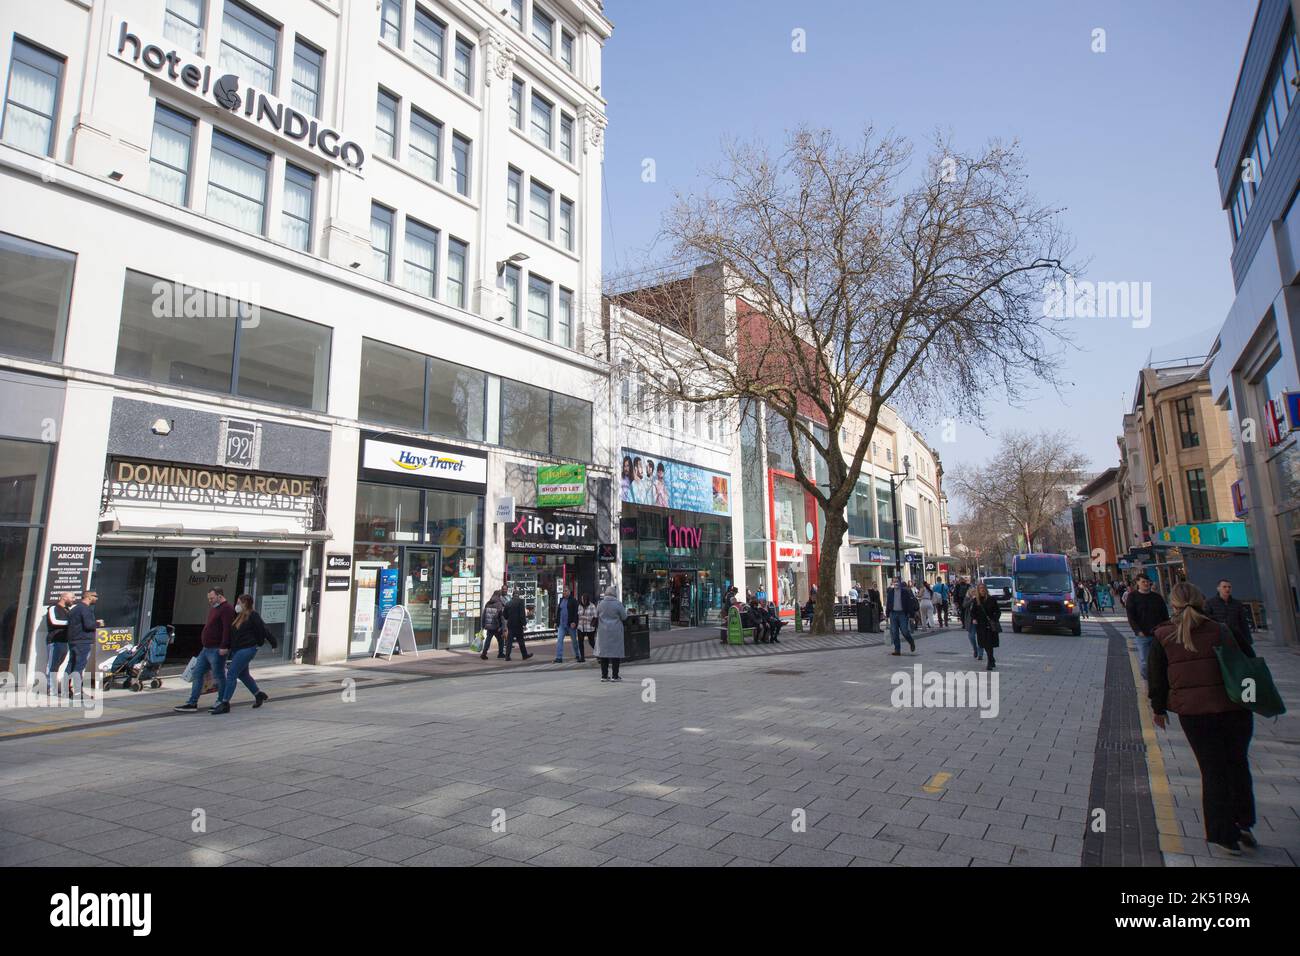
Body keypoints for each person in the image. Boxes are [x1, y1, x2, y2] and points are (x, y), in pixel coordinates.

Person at [1148, 582, 1257, 856]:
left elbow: (1157, 677)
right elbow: (1250, 661)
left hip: (1196, 714)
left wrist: (1158, 709)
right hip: (1234, 710)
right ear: (1201, 602)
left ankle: (1224, 835)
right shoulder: (1221, 629)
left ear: (1172, 604)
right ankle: (1243, 822)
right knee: (1237, 764)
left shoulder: (1164, 635)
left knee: (1213, 770)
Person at [214, 594, 277, 713]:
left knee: (232, 674)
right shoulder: (239, 616)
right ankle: (258, 694)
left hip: (247, 649)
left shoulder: (253, 615)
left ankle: (225, 703)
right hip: (238, 650)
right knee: (243, 675)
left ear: (245, 603)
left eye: (238, 603)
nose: (236, 605)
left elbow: (264, 629)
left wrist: (273, 643)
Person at [174, 588, 233, 712]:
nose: (210, 601)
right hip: (206, 648)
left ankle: (221, 701)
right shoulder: (214, 608)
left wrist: (224, 646)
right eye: (209, 598)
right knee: (197, 673)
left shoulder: (226, 609)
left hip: (217, 649)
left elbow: (227, 629)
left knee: (219, 676)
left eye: (212, 598)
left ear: (220, 596)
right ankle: (192, 702)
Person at [1126, 576, 1169, 681]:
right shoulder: (1132, 597)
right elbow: (1131, 616)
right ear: (1138, 583)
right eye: (1143, 582)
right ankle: (1148, 681)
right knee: (1145, 661)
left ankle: (1159, 680)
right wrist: (1138, 631)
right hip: (1143, 635)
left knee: (1160, 659)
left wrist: (1165, 629)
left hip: (1158, 634)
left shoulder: (1157, 597)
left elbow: (1165, 615)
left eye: (1148, 582)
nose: (1146, 584)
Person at [65, 590, 103, 700]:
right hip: (83, 641)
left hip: (73, 641)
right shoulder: (85, 609)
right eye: (95, 596)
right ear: (89, 597)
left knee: (71, 665)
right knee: (79, 666)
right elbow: (88, 625)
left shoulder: (75, 609)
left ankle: (66, 689)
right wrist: (98, 623)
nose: (97, 598)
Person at [1205, 579, 1253, 652]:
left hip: (1236, 638)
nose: (1227, 589)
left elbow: (1243, 622)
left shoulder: (1237, 604)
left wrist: (1248, 640)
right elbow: (1208, 621)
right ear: (1218, 588)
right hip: (1219, 638)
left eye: (1229, 587)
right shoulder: (1210, 603)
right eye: (1224, 587)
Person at [594, 586, 628, 682]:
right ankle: (615, 676)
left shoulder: (600, 604)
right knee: (615, 654)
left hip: (603, 632)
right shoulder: (618, 604)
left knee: (603, 654)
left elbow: (596, 615)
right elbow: (624, 617)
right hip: (615, 632)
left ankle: (604, 676)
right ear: (614, 593)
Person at [43, 592, 74, 697]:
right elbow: (54, 621)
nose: (73, 599)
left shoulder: (68, 610)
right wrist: (70, 623)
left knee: (58, 664)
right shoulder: (53, 608)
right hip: (55, 641)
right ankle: (50, 688)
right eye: (72, 597)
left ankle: (53, 686)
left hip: (64, 641)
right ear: (64, 597)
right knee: (52, 664)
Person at [970, 582, 1001, 671]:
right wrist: (974, 619)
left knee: (989, 643)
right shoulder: (976, 601)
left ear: (986, 589)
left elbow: (998, 611)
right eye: (980, 588)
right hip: (981, 625)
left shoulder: (992, 599)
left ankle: (990, 662)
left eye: (983, 588)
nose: (982, 590)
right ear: (978, 590)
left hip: (990, 624)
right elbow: (973, 612)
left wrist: (995, 619)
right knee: (984, 644)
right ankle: (992, 659)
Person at [885, 576, 918, 656]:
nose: (895, 583)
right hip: (893, 614)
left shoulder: (905, 592)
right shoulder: (890, 592)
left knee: (904, 631)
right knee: (894, 632)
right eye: (894, 582)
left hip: (902, 614)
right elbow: (888, 603)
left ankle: (911, 642)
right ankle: (897, 650)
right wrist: (887, 614)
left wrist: (912, 616)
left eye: (897, 582)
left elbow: (909, 604)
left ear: (900, 583)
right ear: (892, 583)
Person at [553, 585, 583, 663]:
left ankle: (578, 655)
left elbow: (576, 613)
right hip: (562, 624)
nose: (564, 592)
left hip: (570, 624)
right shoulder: (561, 600)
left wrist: (574, 622)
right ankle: (559, 657)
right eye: (563, 591)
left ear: (569, 592)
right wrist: (556, 622)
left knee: (574, 641)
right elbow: (559, 612)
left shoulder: (573, 601)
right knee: (559, 640)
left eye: (566, 591)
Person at [502, 587, 534, 661]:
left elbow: (504, 614)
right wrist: (524, 624)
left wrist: (508, 619)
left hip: (510, 624)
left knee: (509, 641)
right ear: (518, 595)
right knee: (521, 641)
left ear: (513, 595)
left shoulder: (508, 603)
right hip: (518, 624)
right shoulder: (520, 602)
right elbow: (522, 614)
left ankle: (507, 656)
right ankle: (524, 655)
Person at [480, 588, 508, 660]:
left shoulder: (488, 603)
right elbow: (502, 617)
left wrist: (483, 625)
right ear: (499, 596)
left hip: (489, 626)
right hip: (497, 626)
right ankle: (500, 653)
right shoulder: (499, 604)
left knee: (488, 640)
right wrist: (504, 628)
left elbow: (484, 615)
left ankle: (484, 653)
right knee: (501, 640)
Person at [965, 585, 983, 661]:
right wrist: (971, 600)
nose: (973, 593)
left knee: (980, 637)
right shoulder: (968, 598)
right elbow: (964, 605)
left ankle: (980, 654)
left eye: (974, 592)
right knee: (971, 636)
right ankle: (975, 649)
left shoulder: (979, 599)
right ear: (969, 593)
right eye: (972, 592)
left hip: (979, 620)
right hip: (971, 620)